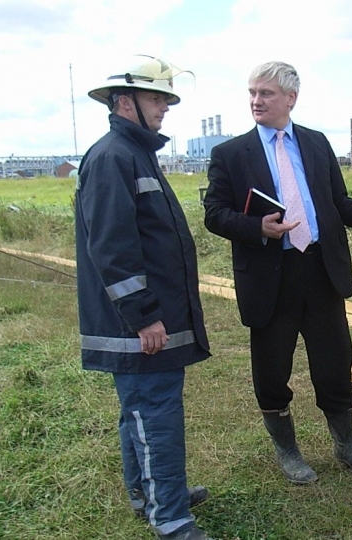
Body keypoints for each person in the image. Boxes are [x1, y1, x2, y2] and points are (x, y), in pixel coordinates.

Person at [203, 61, 352, 485]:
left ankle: (346, 447)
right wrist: (258, 227)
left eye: (266, 94)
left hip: (320, 271)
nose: (256, 100)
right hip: (269, 277)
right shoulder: (230, 154)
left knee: (334, 364)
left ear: (290, 99)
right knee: (272, 371)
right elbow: (214, 215)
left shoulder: (314, 143)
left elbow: (337, 204)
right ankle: (288, 451)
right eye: (253, 92)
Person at [76, 55, 213, 540]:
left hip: (146, 322)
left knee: (140, 410)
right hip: (139, 327)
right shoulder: (114, 157)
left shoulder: (134, 153)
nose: (165, 108)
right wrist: (144, 317)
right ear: (124, 102)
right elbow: (113, 248)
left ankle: (146, 493)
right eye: (158, 98)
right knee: (155, 415)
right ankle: (171, 516)